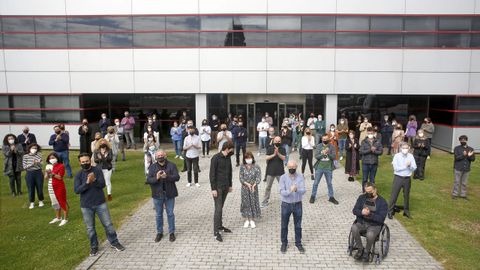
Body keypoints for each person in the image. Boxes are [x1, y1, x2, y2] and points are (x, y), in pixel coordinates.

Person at [74, 153, 125, 256]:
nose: (85, 163)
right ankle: (94, 247)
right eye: (83, 162)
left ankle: (114, 242)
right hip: (86, 205)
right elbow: (77, 190)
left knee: (108, 224)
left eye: (87, 161)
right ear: (80, 163)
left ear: (90, 160)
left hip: (100, 203)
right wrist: (87, 182)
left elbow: (102, 185)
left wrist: (95, 180)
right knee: (90, 228)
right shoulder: (78, 175)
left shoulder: (97, 170)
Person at [146, 149, 180, 243]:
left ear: (165, 155)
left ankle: (171, 232)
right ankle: (159, 232)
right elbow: (148, 180)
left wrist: (167, 176)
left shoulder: (171, 165)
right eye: (158, 155)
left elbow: (177, 177)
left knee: (170, 214)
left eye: (162, 155)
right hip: (157, 194)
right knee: (158, 215)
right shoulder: (152, 167)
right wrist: (156, 178)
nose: (160, 157)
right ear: (156, 157)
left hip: (169, 194)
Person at [351, 182, 388, 263]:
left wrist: (370, 214)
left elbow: (381, 218)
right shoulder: (362, 198)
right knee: (354, 227)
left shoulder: (382, 202)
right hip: (362, 222)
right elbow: (354, 210)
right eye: (366, 192)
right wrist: (361, 212)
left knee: (370, 234)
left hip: (374, 225)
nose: (368, 194)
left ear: (375, 190)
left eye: (370, 192)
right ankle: (360, 249)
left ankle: (367, 252)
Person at [279, 160, 306, 254]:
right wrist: (290, 190)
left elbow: (303, 190)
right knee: (284, 225)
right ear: (287, 167)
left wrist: (296, 189)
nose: (291, 169)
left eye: (293, 167)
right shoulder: (283, 177)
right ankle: (284, 243)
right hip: (286, 204)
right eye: (290, 168)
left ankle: (298, 243)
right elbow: (282, 192)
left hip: (298, 204)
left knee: (298, 226)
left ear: (296, 167)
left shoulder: (301, 177)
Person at [210, 141, 234, 242]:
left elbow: (230, 172)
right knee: (218, 209)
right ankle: (216, 232)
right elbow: (212, 174)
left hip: (225, 187)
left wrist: (230, 185)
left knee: (221, 207)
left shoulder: (228, 158)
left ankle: (220, 226)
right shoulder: (215, 158)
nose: (233, 151)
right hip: (218, 187)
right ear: (227, 148)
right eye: (232, 149)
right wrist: (213, 189)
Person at [388, 142, 416, 219]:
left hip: (407, 178)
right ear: (400, 148)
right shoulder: (397, 156)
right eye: (404, 148)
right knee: (394, 195)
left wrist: (410, 166)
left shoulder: (411, 156)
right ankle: (390, 211)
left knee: (406, 195)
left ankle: (406, 211)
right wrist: (405, 166)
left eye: (407, 148)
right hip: (398, 178)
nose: (405, 149)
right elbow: (396, 168)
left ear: (409, 148)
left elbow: (414, 167)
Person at [310, 134, 338, 205]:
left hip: (328, 167)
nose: (325, 140)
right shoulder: (319, 146)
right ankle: (313, 196)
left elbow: (334, 157)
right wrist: (323, 154)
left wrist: (328, 153)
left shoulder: (331, 146)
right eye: (324, 139)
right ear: (322, 139)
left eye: (326, 139)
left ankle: (331, 197)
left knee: (329, 183)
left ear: (328, 139)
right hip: (319, 167)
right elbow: (316, 156)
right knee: (316, 183)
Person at [261, 136, 286, 208]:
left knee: (283, 187)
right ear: (273, 141)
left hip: (280, 171)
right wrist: (274, 154)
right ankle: (265, 201)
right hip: (270, 171)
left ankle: (285, 201)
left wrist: (278, 153)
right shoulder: (270, 148)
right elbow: (266, 157)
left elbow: (284, 158)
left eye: (279, 141)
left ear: (280, 141)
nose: (277, 142)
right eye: (276, 141)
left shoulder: (283, 148)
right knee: (268, 187)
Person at [45, 152, 68, 226]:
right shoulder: (48, 166)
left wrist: (52, 173)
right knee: (54, 203)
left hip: (59, 186)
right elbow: (46, 178)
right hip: (51, 186)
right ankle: (58, 217)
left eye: (53, 158)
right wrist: (47, 173)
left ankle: (65, 219)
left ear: (57, 158)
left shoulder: (61, 166)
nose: (52, 159)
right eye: (50, 158)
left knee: (62, 202)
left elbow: (60, 177)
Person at [239, 152, 261, 229]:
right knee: (245, 203)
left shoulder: (256, 166)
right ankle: (246, 219)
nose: (249, 159)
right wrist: (247, 184)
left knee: (253, 202)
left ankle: (252, 219)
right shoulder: (242, 166)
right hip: (245, 188)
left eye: (250, 158)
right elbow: (241, 177)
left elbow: (258, 177)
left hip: (253, 188)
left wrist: (254, 184)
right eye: (247, 158)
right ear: (245, 159)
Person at [359, 128, 383, 192]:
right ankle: (364, 191)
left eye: (371, 133)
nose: (370, 135)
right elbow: (361, 151)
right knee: (365, 179)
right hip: (365, 163)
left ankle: (372, 192)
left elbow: (380, 152)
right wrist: (370, 150)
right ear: (367, 133)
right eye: (369, 133)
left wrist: (374, 151)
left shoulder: (377, 141)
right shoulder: (363, 141)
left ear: (374, 133)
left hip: (374, 163)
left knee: (372, 179)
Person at [452, 135, 475, 200]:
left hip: (466, 168)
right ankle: (455, 194)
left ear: (466, 140)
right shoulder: (457, 148)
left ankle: (463, 194)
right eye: (461, 140)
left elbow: (473, 159)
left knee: (464, 183)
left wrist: (469, 156)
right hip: (458, 168)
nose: (462, 141)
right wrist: (463, 155)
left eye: (464, 140)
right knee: (457, 182)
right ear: (459, 141)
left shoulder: (471, 149)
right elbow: (456, 158)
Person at [22, 143, 45, 209]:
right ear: (29, 149)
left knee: (40, 188)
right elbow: (24, 167)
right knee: (31, 189)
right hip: (30, 173)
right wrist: (32, 164)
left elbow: (41, 165)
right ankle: (32, 202)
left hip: (38, 173)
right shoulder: (25, 156)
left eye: (35, 148)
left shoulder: (39, 155)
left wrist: (38, 163)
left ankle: (41, 201)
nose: (34, 149)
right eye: (33, 148)